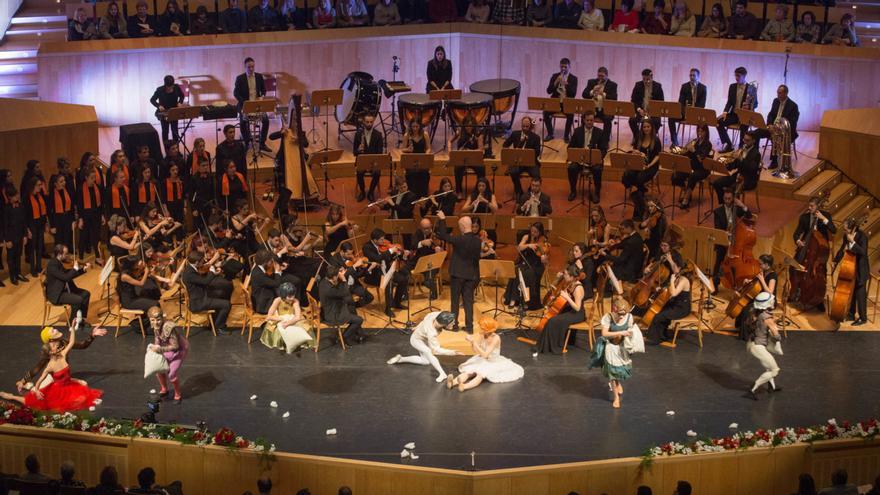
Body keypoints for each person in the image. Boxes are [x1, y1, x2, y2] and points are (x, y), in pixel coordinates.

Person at [0, 317, 103, 412]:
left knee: (83, 385)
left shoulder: (63, 344)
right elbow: (38, 368)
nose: (56, 330)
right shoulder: (48, 354)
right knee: (39, 401)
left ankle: (31, 388)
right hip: (54, 377)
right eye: (53, 331)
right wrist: (23, 380)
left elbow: (81, 345)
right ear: (51, 341)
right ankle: (23, 391)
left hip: (64, 376)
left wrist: (92, 335)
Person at [589, 296, 644, 408]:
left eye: (624, 314)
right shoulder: (608, 317)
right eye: (619, 314)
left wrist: (630, 335)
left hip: (622, 347)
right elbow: (604, 333)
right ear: (614, 310)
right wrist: (620, 333)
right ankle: (616, 398)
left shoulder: (629, 317)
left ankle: (618, 383)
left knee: (620, 370)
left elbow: (630, 330)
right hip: (611, 347)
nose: (622, 316)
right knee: (612, 373)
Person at [435, 211, 481, 331]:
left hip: (457, 274)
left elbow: (443, 235)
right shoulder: (478, 241)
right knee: (468, 302)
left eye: (460, 226)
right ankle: (470, 327)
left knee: (455, 301)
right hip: (471, 275)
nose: (459, 228)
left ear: (463, 226)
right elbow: (477, 259)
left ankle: (454, 326)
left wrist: (442, 219)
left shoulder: (459, 239)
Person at [450, 317, 524, 391]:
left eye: (482, 328)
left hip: (493, 362)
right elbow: (475, 351)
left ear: (488, 329)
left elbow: (486, 355)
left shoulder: (496, 338)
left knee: (480, 375)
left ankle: (464, 386)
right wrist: (472, 342)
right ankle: (453, 382)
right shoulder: (482, 335)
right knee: (469, 372)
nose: (480, 329)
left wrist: (474, 342)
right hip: (482, 359)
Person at [387, 310, 459, 382]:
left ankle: (400, 359)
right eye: (452, 322)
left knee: (426, 361)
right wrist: (451, 352)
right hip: (416, 341)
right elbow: (436, 350)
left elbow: (425, 319)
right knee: (429, 352)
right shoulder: (432, 332)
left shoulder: (435, 315)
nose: (454, 323)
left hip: (423, 338)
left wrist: (418, 327)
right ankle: (442, 373)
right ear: (444, 323)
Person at [534, 264, 586, 354]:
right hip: (571, 311)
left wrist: (567, 297)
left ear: (572, 277)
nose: (564, 275)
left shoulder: (578, 288)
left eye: (565, 274)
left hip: (577, 314)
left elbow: (577, 308)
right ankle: (546, 344)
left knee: (553, 321)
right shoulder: (570, 283)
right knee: (552, 317)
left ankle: (552, 346)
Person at [743, 292, 782, 400]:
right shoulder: (766, 317)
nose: (773, 301)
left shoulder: (756, 313)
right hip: (758, 347)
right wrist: (778, 336)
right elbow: (776, 333)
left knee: (768, 367)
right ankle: (752, 390)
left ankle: (772, 387)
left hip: (752, 344)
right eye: (772, 300)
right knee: (774, 370)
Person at [182, 250, 232, 334]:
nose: (204, 262)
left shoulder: (190, 268)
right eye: (202, 261)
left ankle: (214, 324)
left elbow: (201, 280)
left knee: (221, 294)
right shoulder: (190, 273)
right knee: (227, 304)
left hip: (200, 296)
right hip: (199, 301)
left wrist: (214, 274)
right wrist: (212, 272)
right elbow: (205, 282)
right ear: (197, 262)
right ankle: (219, 327)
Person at [363, 228, 410, 316]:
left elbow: (388, 257)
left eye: (383, 238)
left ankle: (396, 303)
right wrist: (391, 250)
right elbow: (377, 259)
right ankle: (387, 309)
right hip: (373, 275)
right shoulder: (367, 247)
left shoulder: (384, 246)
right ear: (374, 240)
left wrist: (401, 255)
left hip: (386, 271)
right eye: (381, 240)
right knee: (388, 282)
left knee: (403, 279)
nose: (384, 241)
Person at [145, 307, 188, 404]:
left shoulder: (168, 328)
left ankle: (178, 394)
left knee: (171, 373)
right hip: (168, 349)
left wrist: (160, 349)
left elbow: (176, 346)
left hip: (179, 350)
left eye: (158, 319)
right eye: (153, 320)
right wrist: (155, 347)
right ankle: (164, 389)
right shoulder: (155, 326)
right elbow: (157, 338)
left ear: (162, 318)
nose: (156, 322)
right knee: (159, 369)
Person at [503, 221, 548, 311]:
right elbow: (519, 247)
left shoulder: (543, 240)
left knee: (528, 274)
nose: (533, 233)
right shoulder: (526, 237)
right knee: (516, 270)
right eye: (532, 231)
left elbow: (545, 259)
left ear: (540, 232)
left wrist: (544, 257)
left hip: (536, 265)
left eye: (536, 232)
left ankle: (526, 302)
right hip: (525, 262)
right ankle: (513, 299)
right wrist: (529, 245)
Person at [753, 84, 799, 170]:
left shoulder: (793, 106)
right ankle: (755, 157)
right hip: (772, 127)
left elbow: (792, 123)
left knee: (775, 137)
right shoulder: (776, 101)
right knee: (755, 133)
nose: (778, 95)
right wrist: (770, 124)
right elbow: (771, 114)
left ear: (786, 93)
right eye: (777, 93)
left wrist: (779, 128)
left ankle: (774, 162)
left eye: (780, 93)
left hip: (784, 131)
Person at [622, 119, 662, 220]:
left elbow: (658, 156)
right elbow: (634, 150)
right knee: (627, 175)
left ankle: (639, 198)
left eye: (648, 127)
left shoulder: (656, 140)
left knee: (639, 177)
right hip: (639, 164)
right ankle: (641, 191)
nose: (646, 129)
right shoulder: (639, 138)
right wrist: (637, 153)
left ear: (652, 127)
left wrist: (649, 165)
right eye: (644, 127)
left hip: (651, 165)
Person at [645, 260, 692, 345]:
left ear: (679, 268)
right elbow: (670, 291)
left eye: (674, 266)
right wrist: (660, 289)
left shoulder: (683, 280)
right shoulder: (677, 277)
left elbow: (674, 293)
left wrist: (671, 280)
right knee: (660, 310)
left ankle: (654, 338)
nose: (672, 268)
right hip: (676, 304)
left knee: (659, 316)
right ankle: (662, 335)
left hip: (682, 308)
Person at [711, 188, 751, 287]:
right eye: (725, 199)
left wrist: (742, 205)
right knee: (718, 262)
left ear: (733, 198)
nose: (727, 201)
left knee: (737, 264)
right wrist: (726, 234)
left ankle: (736, 284)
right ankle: (714, 286)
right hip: (723, 242)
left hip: (736, 242)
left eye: (729, 198)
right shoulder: (718, 211)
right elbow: (717, 228)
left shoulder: (737, 209)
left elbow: (749, 215)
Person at [319, 263, 366, 344]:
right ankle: (343, 337)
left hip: (328, 309)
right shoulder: (330, 290)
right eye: (337, 275)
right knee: (359, 320)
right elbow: (345, 293)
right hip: (333, 315)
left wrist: (338, 275)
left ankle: (359, 334)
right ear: (334, 277)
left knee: (351, 306)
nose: (339, 276)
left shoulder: (323, 281)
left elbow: (338, 290)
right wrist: (344, 279)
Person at [834, 217, 869, 326]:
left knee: (860, 295)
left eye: (846, 229)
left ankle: (863, 318)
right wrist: (835, 261)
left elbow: (863, 252)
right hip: (850, 268)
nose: (844, 232)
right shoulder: (846, 235)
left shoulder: (863, 237)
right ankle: (851, 313)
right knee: (851, 293)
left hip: (861, 269)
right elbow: (842, 249)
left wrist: (853, 242)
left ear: (853, 228)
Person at [567, 112, 608, 202]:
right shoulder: (577, 131)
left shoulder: (600, 132)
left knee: (597, 169)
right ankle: (573, 191)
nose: (589, 122)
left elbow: (604, 149)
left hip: (594, 161)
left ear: (594, 121)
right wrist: (574, 156)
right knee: (572, 168)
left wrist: (598, 158)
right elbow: (570, 147)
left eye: (591, 120)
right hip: (579, 161)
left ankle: (597, 192)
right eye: (587, 120)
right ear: (584, 120)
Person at [261, 282, 314, 352]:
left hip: (292, 319)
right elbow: (269, 316)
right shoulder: (277, 300)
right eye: (289, 296)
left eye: (293, 295)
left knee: (303, 328)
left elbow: (297, 317)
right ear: (283, 295)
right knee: (277, 330)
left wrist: (288, 323)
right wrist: (281, 319)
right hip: (280, 319)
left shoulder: (295, 301)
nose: (292, 298)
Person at [46, 244, 92, 324]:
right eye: (66, 254)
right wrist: (74, 269)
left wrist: (83, 270)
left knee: (86, 294)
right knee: (78, 299)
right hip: (57, 294)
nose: (68, 255)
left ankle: (82, 319)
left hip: (64, 289)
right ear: (60, 254)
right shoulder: (52, 265)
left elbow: (68, 274)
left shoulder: (58, 262)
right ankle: (72, 322)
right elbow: (66, 277)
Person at [711, 130, 761, 202]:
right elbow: (735, 164)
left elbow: (752, 169)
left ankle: (734, 208)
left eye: (747, 140)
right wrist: (727, 165)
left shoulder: (756, 154)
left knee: (731, 189)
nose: (745, 142)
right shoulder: (742, 150)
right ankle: (724, 205)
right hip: (738, 176)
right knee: (717, 183)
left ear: (753, 141)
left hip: (748, 179)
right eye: (744, 139)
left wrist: (741, 159)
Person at [234, 57, 271, 152]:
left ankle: (262, 143)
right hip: (245, 105)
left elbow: (263, 90)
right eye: (249, 67)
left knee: (266, 120)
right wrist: (244, 102)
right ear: (245, 67)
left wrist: (262, 96)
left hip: (257, 106)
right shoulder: (240, 78)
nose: (251, 69)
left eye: (252, 67)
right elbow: (236, 93)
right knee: (243, 122)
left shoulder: (259, 76)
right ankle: (246, 142)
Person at [671, 123, 712, 208]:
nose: (700, 133)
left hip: (703, 169)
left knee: (693, 176)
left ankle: (686, 200)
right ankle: (686, 191)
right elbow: (687, 154)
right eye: (698, 131)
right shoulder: (695, 141)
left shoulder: (708, 144)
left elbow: (701, 159)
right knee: (675, 176)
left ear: (706, 132)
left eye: (702, 131)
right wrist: (684, 151)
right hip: (692, 166)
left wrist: (694, 150)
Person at [504, 116, 542, 197]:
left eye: (527, 127)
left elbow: (538, 152)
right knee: (513, 172)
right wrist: (512, 152)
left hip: (531, 162)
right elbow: (505, 145)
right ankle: (519, 191)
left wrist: (528, 153)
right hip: (518, 162)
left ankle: (529, 192)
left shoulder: (536, 137)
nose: (525, 128)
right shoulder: (515, 134)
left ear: (530, 126)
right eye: (523, 126)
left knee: (537, 175)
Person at [448, 118, 486, 197]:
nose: (468, 127)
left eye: (470, 125)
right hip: (461, 159)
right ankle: (459, 191)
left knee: (481, 168)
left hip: (474, 159)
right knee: (457, 168)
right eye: (467, 125)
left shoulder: (478, 134)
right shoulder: (459, 132)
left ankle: (480, 190)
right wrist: (450, 151)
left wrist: (469, 151)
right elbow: (449, 141)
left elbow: (481, 150)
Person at [669, 68, 706, 147]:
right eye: (690, 75)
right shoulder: (684, 86)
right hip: (684, 112)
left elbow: (702, 105)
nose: (692, 77)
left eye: (694, 75)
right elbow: (680, 102)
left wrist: (693, 113)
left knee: (704, 122)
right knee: (671, 118)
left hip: (696, 114)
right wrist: (684, 112)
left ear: (698, 76)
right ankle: (674, 141)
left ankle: (700, 143)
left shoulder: (703, 88)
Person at [544, 58, 578, 142]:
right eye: (561, 67)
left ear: (569, 67)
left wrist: (566, 84)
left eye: (565, 67)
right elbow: (548, 91)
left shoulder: (574, 78)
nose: (563, 69)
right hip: (556, 102)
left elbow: (573, 93)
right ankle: (550, 133)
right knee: (545, 113)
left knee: (570, 115)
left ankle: (566, 136)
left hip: (567, 103)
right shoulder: (555, 76)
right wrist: (555, 82)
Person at [628, 68, 664, 148]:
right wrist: (639, 110)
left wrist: (652, 111)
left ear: (651, 77)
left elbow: (661, 102)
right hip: (641, 111)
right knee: (632, 120)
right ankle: (638, 137)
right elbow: (633, 100)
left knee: (657, 121)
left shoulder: (658, 86)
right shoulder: (638, 85)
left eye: (648, 79)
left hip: (653, 111)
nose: (646, 81)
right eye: (644, 79)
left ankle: (652, 138)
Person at [353, 114, 384, 202]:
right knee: (359, 172)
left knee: (377, 173)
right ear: (363, 122)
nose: (369, 124)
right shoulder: (358, 134)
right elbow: (354, 153)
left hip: (373, 163)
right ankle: (362, 192)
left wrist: (372, 162)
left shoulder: (378, 135)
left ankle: (370, 192)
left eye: (371, 122)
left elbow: (380, 152)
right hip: (362, 162)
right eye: (367, 122)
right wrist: (359, 150)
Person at [334, 241, 375, 307]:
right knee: (350, 298)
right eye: (348, 254)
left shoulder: (351, 258)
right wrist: (354, 266)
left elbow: (358, 275)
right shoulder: (334, 260)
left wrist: (369, 269)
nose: (351, 256)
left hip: (353, 283)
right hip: (343, 285)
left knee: (370, 297)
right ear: (342, 251)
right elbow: (342, 276)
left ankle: (353, 306)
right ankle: (349, 307)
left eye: (352, 253)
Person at [582, 67, 617, 142]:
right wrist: (592, 91)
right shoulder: (591, 82)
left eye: (602, 76)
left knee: (607, 120)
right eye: (599, 76)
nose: (600, 78)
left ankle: (605, 141)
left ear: (607, 75)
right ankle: (584, 137)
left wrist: (603, 94)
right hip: (593, 109)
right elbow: (584, 94)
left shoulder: (613, 85)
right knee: (584, 117)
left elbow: (614, 98)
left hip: (605, 110)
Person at [401, 120, 432, 198]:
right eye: (413, 127)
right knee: (411, 174)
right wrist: (408, 149)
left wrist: (426, 154)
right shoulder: (407, 135)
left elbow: (428, 148)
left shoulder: (425, 134)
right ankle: (412, 195)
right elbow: (402, 149)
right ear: (410, 127)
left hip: (422, 159)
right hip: (411, 160)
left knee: (425, 174)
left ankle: (423, 195)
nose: (415, 129)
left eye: (417, 126)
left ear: (420, 126)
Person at [4, 186, 28, 285]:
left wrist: (25, 235)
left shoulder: (21, 206)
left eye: (17, 194)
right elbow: (4, 226)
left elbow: (23, 221)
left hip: (20, 235)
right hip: (11, 237)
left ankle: (18, 273)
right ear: (9, 197)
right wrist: (7, 240)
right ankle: (12, 276)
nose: (17, 197)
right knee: (11, 258)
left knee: (18, 256)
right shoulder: (6, 209)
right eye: (14, 196)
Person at [24, 177, 48, 276]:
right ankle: (32, 269)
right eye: (38, 185)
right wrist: (27, 230)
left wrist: (46, 223)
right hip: (32, 225)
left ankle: (38, 267)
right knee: (32, 247)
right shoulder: (26, 198)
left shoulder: (40, 195)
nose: (41, 187)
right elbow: (24, 216)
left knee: (39, 247)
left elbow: (44, 211)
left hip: (40, 224)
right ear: (33, 186)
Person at [47, 174, 75, 252]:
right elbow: (49, 212)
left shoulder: (68, 191)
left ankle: (65, 256)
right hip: (57, 220)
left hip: (67, 218)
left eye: (64, 181)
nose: (64, 183)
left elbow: (71, 207)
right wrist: (52, 226)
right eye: (61, 181)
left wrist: (73, 220)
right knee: (59, 240)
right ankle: (58, 257)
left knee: (67, 238)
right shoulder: (51, 195)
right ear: (55, 184)